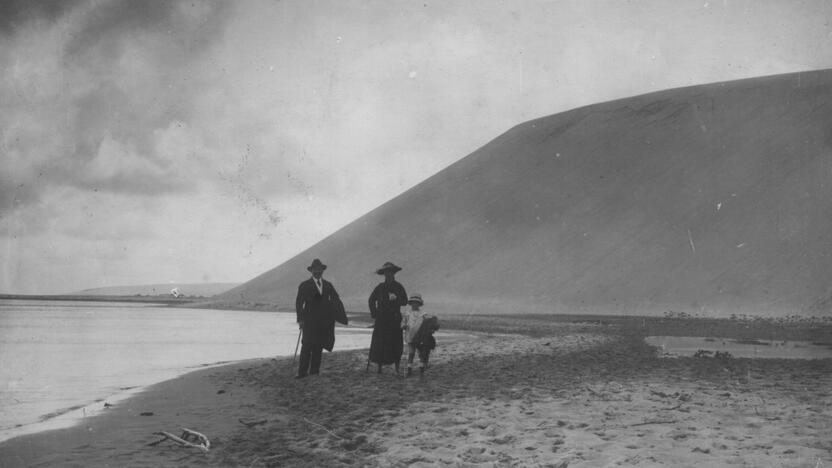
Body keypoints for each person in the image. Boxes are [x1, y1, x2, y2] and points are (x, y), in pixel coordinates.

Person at [295, 258, 346, 378]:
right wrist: (300, 319)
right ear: (311, 271)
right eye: (315, 270)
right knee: (307, 345)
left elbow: (336, 299)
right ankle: (302, 373)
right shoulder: (304, 285)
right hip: (309, 321)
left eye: (319, 269)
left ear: (322, 271)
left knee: (318, 346)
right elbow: (299, 303)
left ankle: (314, 372)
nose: (317, 271)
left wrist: (334, 313)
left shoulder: (328, 285)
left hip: (323, 322)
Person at [368, 261, 408, 374]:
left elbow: (405, 301)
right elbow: (371, 300)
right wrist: (375, 313)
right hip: (381, 319)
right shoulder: (380, 287)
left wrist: (396, 299)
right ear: (384, 274)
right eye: (386, 272)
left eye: (390, 272)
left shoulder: (399, 287)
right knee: (380, 343)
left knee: (396, 343)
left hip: (395, 319)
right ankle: (379, 368)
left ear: (394, 273)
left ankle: (397, 368)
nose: (388, 274)